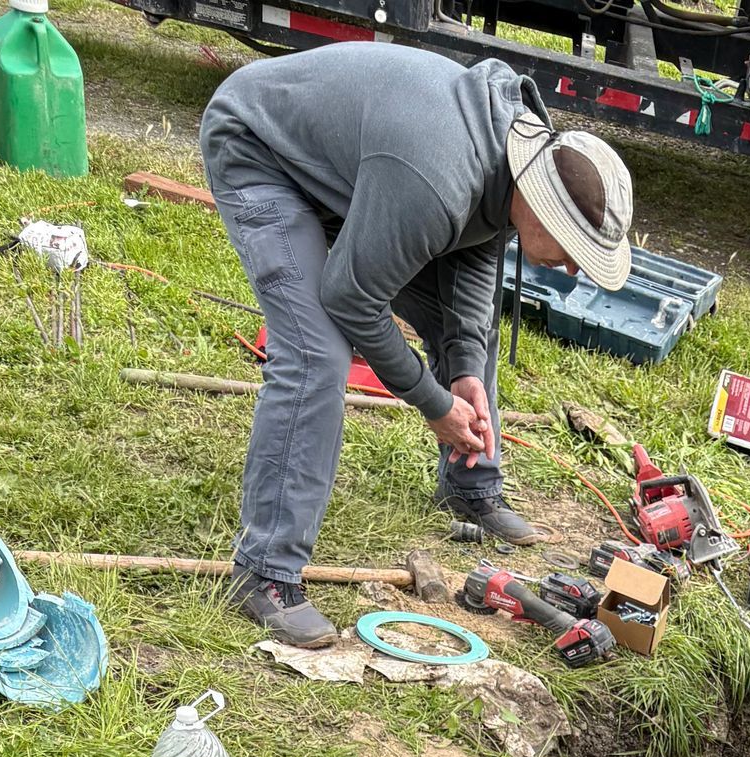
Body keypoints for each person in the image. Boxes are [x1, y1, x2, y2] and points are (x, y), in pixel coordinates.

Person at [199, 49, 633, 648]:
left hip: (360, 178)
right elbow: (352, 298)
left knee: (471, 342)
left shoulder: (519, 160)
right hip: (261, 148)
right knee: (318, 352)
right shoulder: (437, 181)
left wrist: (460, 370)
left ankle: (471, 486)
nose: (574, 271)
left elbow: (476, 254)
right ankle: (264, 572)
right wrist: (433, 402)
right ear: (539, 202)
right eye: (572, 248)